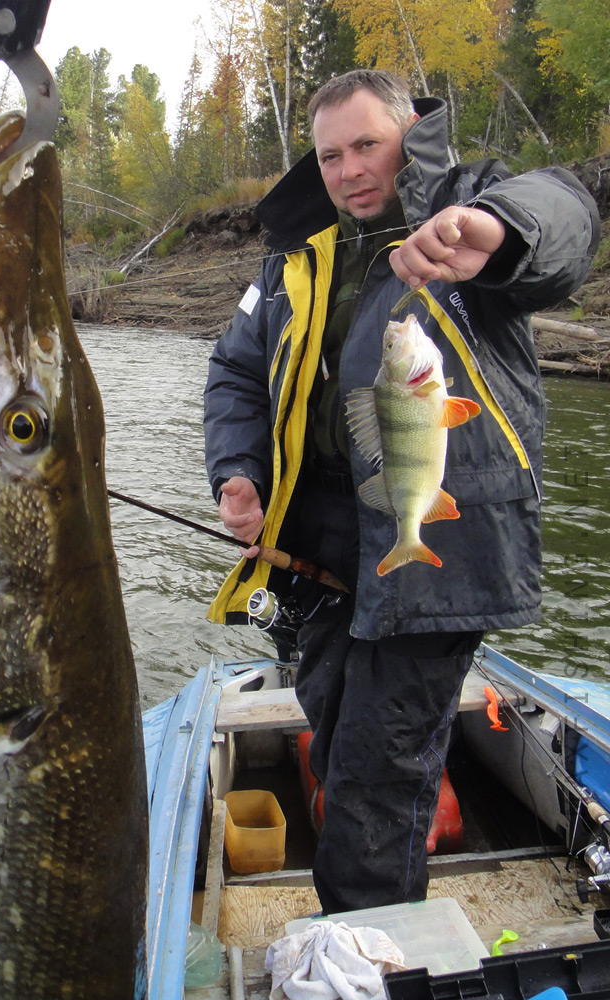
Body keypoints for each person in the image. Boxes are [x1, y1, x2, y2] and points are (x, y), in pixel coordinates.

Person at [203, 69, 599, 914]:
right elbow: (236, 370)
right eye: (331, 154)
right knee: (337, 733)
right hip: (312, 551)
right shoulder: (292, 257)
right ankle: (377, 921)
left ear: (408, 131)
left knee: (376, 777)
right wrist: (238, 474)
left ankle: (366, 946)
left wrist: (495, 229)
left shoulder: (462, 206)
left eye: (367, 145)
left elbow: (564, 212)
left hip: (434, 558)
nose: (349, 170)